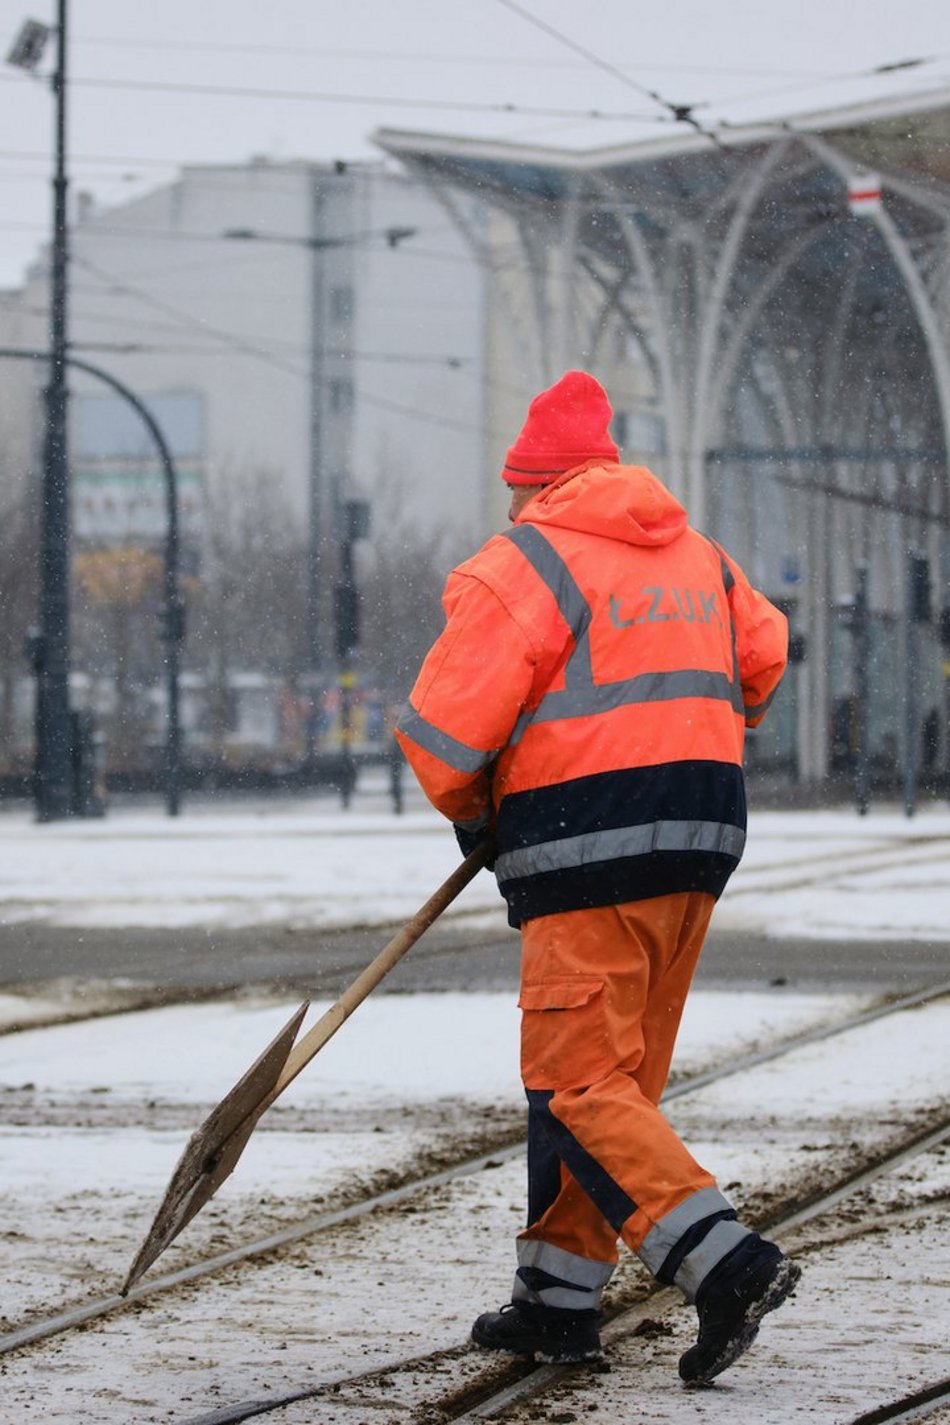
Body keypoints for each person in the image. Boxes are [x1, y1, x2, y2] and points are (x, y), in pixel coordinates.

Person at [394, 371, 798, 1386]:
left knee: (574, 1084)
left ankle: (722, 1262)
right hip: (700, 830)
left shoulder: (518, 563)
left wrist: (479, 814)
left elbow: (444, 737)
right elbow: (762, 652)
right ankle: (556, 1299)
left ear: (530, 486)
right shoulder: (696, 554)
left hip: (585, 842)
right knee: (614, 1082)